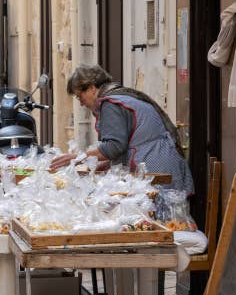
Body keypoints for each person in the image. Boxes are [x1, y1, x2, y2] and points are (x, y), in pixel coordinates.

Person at [50, 64, 194, 196]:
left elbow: (114, 147)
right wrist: (104, 164)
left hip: (155, 169)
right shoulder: (120, 96)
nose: (80, 103)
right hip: (161, 164)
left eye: (79, 96)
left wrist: (78, 158)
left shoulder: (109, 104)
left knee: (162, 220)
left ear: (92, 88)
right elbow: (125, 144)